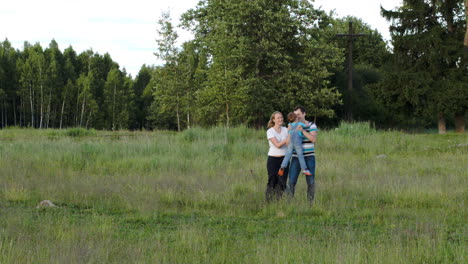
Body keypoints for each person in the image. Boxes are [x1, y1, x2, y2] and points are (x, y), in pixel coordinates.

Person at [287, 105, 318, 204]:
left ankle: (310, 204)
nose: (297, 116)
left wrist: (302, 131)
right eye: (295, 114)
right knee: (291, 181)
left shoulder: (311, 125)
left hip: (309, 157)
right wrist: (289, 132)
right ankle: (289, 204)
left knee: (311, 182)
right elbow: (288, 143)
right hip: (296, 157)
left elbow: (313, 139)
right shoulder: (292, 125)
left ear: (304, 114)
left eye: (299, 114)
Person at [277, 112, 312, 177]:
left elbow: (288, 131)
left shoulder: (289, 125)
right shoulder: (299, 124)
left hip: (290, 142)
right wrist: (306, 123)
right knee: (300, 156)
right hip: (298, 143)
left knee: (287, 156)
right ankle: (304, 169)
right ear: (296, 118)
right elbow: (307, 126)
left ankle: (282, 167)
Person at [265, 111, 290, 202]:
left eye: (281, 117)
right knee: (272, 180)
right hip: (273, 159)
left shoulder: (286, 129)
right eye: (278, 118)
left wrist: (289, 138)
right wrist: (287, 139)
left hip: (284, 159)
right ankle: (269, 201)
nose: (280, 119)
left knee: (282, 181)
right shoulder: (270, 131)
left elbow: (288, 143)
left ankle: (277, 201)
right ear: (273, 120)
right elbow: (277, 145)